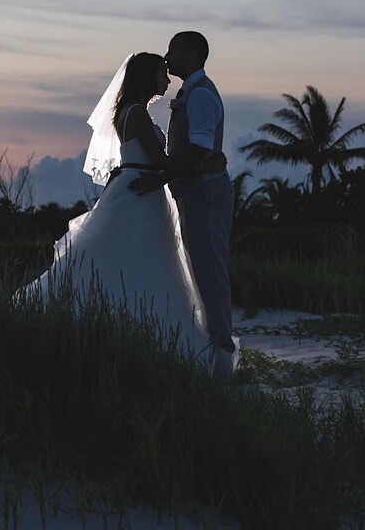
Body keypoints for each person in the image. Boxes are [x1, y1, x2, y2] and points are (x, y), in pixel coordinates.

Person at [18, 52, 211, 363]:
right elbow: (159, 161)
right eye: (161, 74)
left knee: (135, 260)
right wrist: (201, 157)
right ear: (147, 77)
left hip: (137, 184)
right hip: (142, 189)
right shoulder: (135, 113)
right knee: (144, 262)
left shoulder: (130, 110)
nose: (166, 80)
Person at [131, 31, 238, 379]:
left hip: (206, 193)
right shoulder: (188, 93)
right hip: (194, 191)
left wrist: (161, 179)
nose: (167, 56)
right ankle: (213, 346)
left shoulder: (202, 95)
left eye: (173, 50)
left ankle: (222, 354)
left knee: (210, 272)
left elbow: (198, 148)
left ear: (191, 54)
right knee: (201, 270)